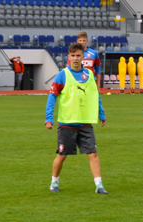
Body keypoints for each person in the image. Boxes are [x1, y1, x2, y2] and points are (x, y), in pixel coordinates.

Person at [46, 43, 108, 195]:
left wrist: (101, 113)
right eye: (72, 55)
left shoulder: (89, 74)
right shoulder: (62, 75)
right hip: (67, 123)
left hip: (85, 122)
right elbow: (52, 97)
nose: (75, 58)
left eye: (78, 55)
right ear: (68, 57)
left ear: (83, 57)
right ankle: (54, 181)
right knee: (61, 155)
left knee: (93, 154)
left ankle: (99, 185)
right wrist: (49, 118)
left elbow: (95, 95)